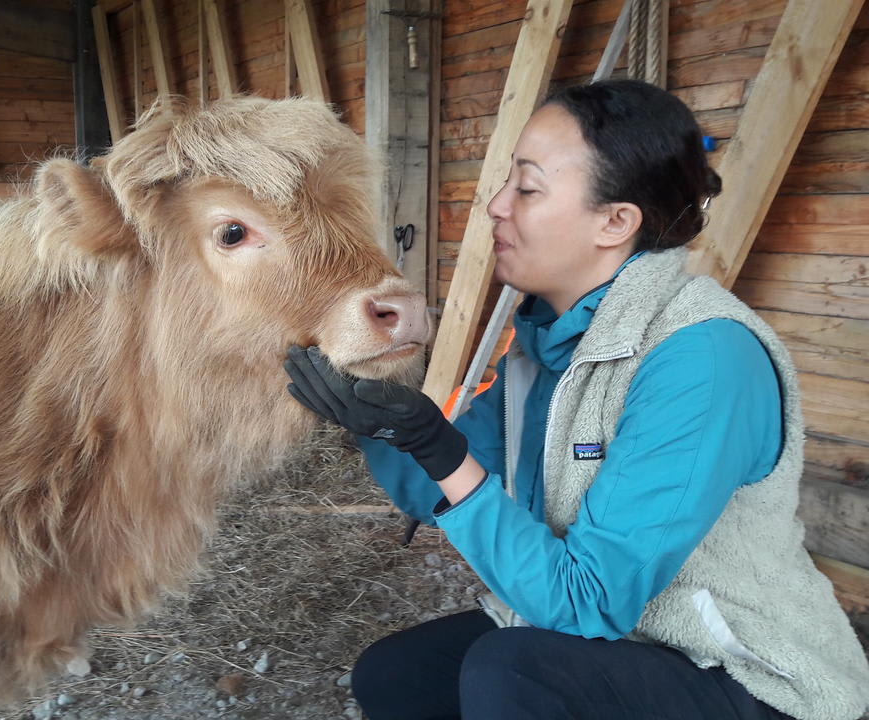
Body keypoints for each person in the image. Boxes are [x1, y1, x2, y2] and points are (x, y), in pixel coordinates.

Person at [284, 80, 869, 720]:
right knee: (396, 677)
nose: (496, 206)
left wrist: (437, 448)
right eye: (507, 182)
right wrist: (373, 417)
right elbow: (443, 483)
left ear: (615, 222)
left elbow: (588, 599)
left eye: (528, 188)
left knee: (512, 676)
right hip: (619, 644)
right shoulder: (545, 348)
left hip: (744, 675)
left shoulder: (700, 359)